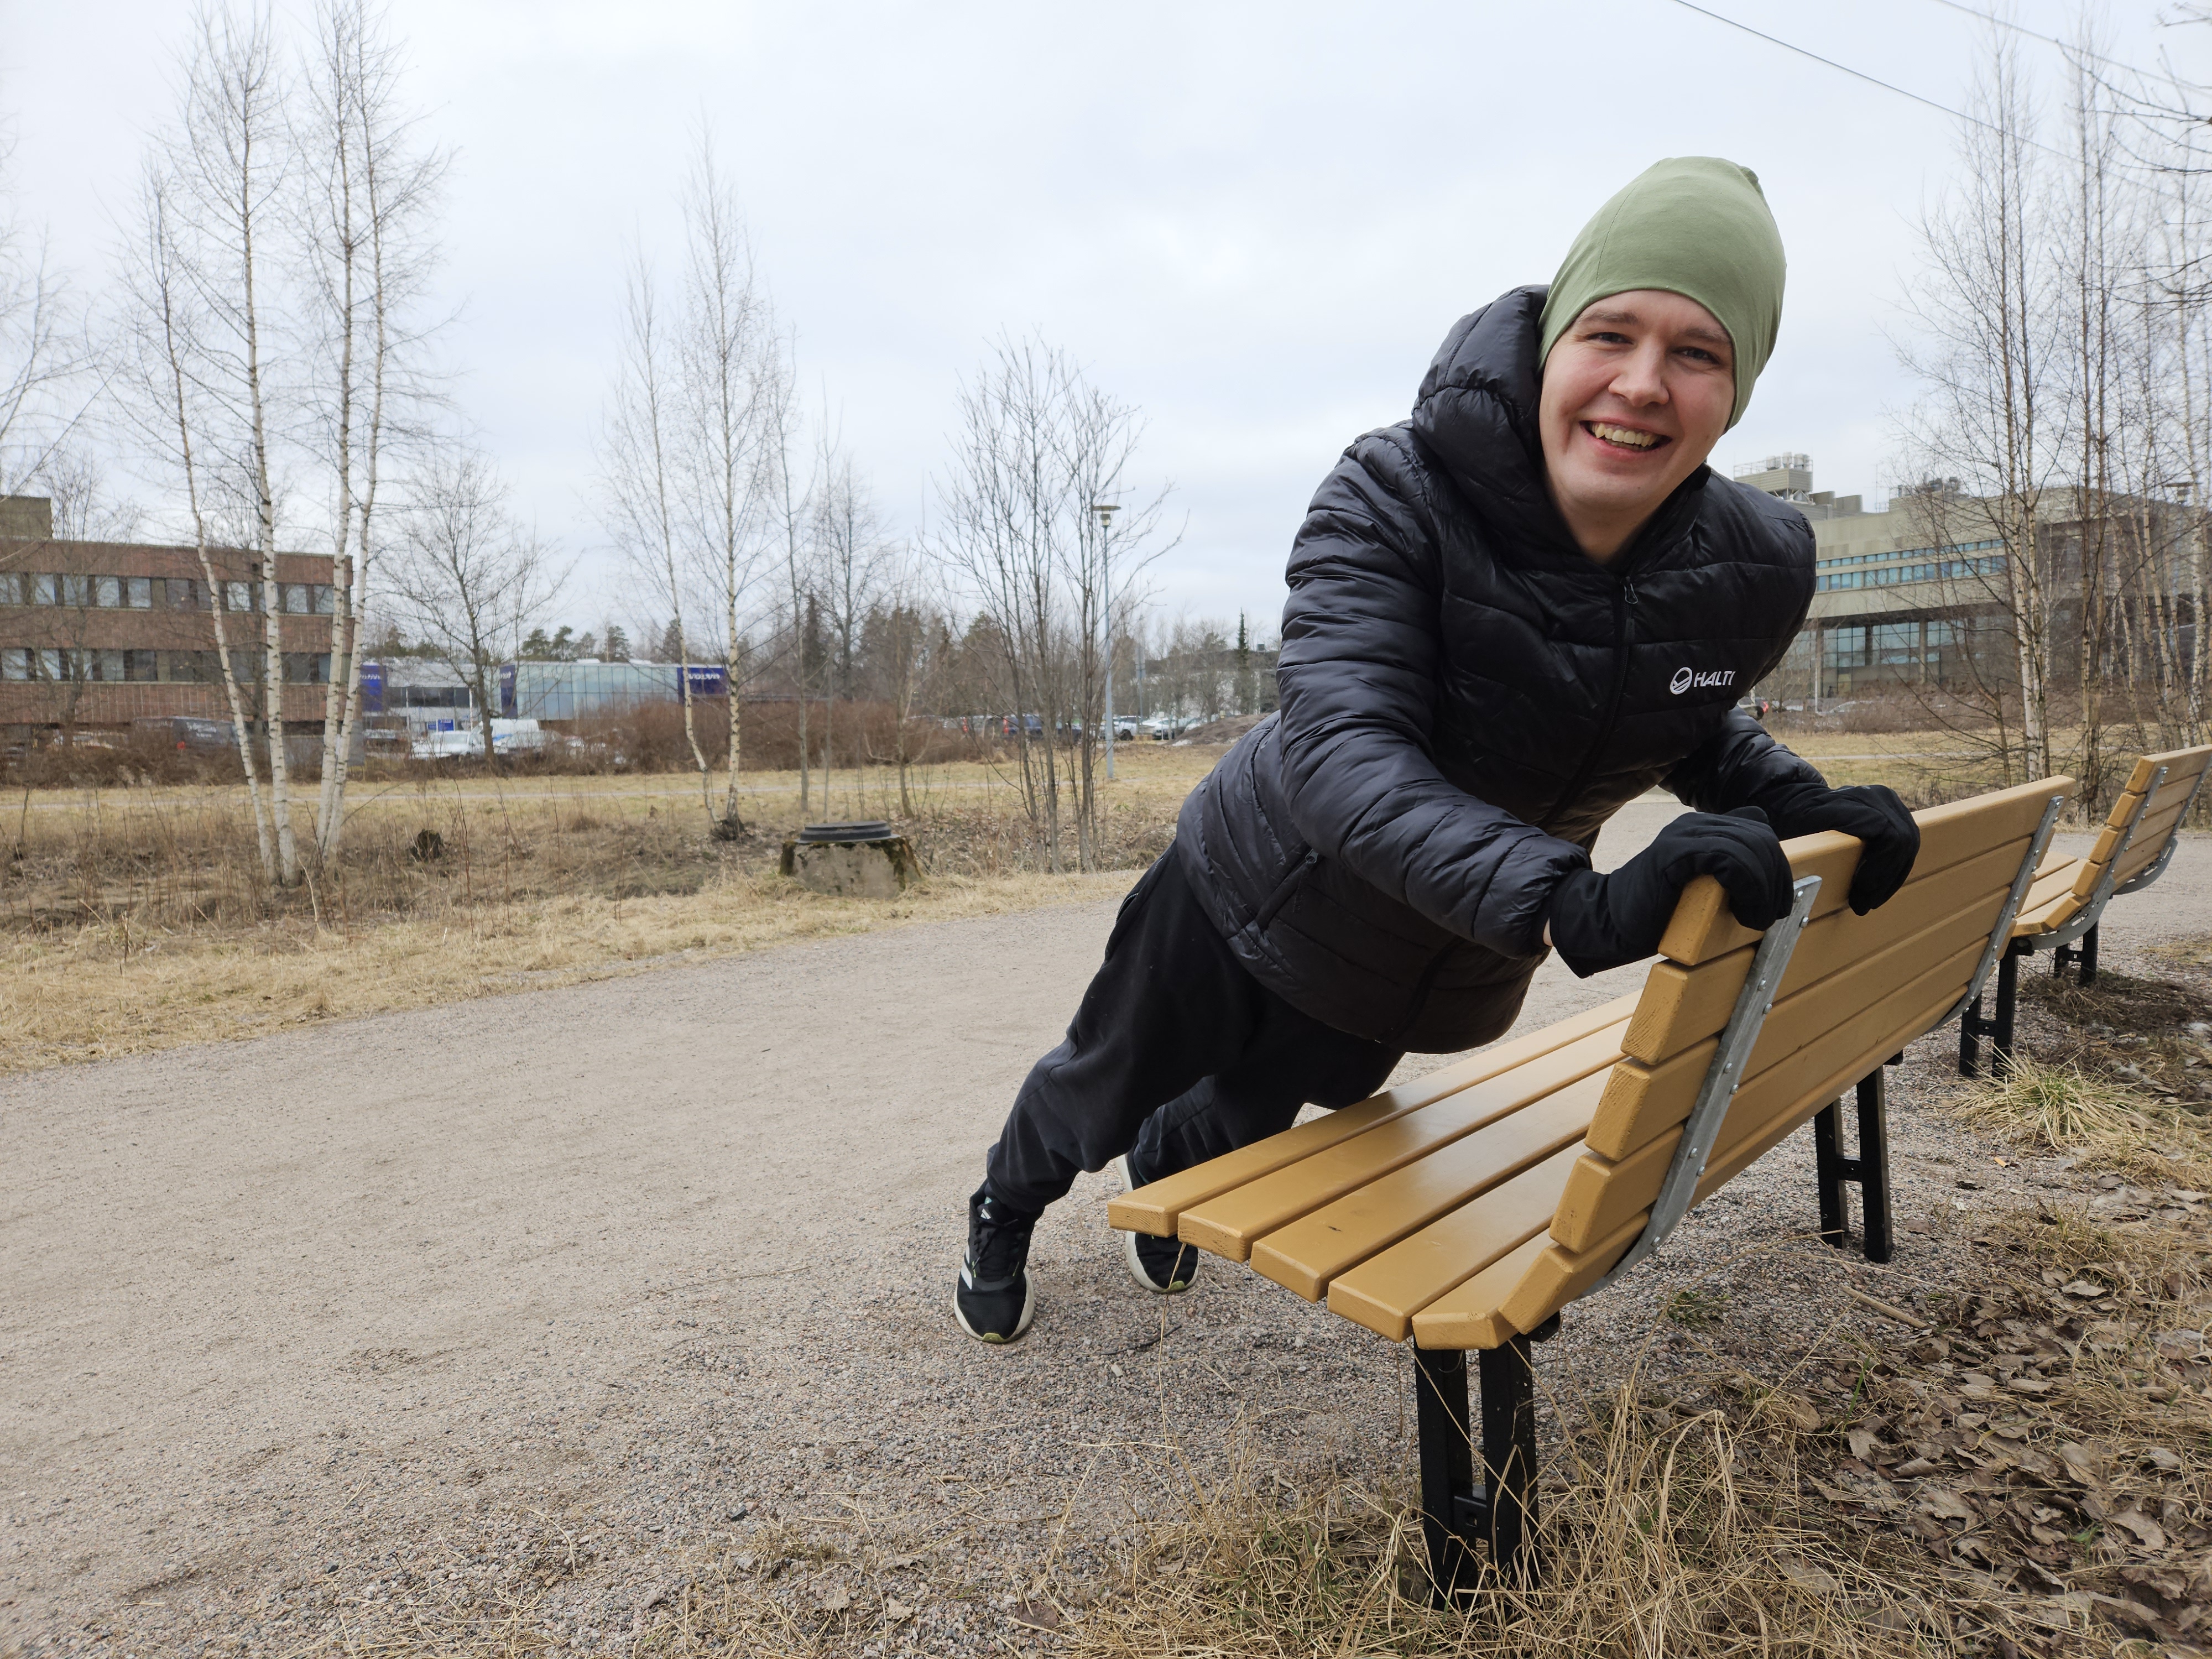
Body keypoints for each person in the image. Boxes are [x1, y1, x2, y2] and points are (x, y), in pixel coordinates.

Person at [954, 158, 1920, 1345]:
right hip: (1257, 886)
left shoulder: (1744, 566)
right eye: (1609, 332)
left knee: (1273, 1105)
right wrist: (1567, 901)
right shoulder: (1393, 493)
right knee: (1103, 1081)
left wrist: (1807, 808)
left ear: (1738, 393)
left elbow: (1678, 708)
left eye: (1696, 352)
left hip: (1435, 944)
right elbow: (1339, 747)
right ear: (1552, 339)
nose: (1638, 384)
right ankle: (1004, 1208)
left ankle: (1171, 1170)